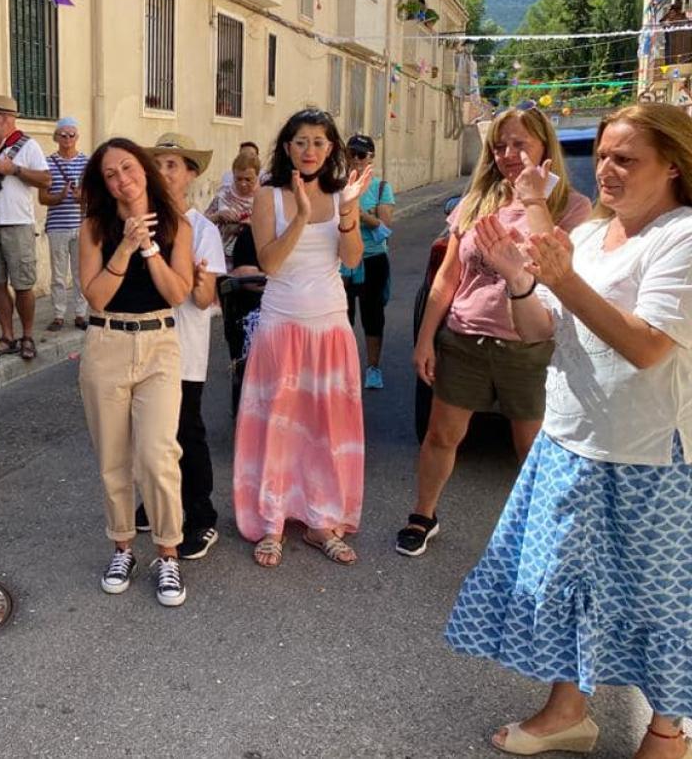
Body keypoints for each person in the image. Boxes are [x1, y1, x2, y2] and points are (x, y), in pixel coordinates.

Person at [445, 102, 692, 759]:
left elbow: (646, 348)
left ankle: (668, 734)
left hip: (648, 452)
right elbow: (540, 331)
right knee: (566, 582)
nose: (607, 170)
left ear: (672, 167)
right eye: (603, 156)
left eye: (625, 159)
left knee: (655, 595)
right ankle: (567, 713)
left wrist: (563, 278)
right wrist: (520, 282)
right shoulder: (591, 235)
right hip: (570, 438)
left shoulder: (682, 236)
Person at [398, 106, 592, 558]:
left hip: (530, 346)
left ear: (544, 145)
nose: (508, 154)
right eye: (500, 145)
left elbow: (556, 274)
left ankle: (538, 532)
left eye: (519, 144)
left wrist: (533, 201)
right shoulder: (477, 202)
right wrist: (426, 338)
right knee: (441, 436)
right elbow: (446, 278)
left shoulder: (572, 207)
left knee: (532, 448)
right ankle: (423, 514)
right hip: (464, 339)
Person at [232, 108, 372, 569]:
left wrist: (347, 209)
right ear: (287, 148)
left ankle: (322, 520)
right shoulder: (268, 196)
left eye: (318, 142)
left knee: (326, 428)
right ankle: (271, 521)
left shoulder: (340, 197)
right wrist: (302, 217)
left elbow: (352, 261)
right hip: (280, 325)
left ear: (331, 148)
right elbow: (269, 264)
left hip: (330, 326)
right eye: (300, 142)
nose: (309, 150)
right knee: (277, 426)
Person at [78, 137, 194, 607]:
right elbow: (96, 296)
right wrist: (123, 247)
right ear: (103, 184)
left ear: (144, 169)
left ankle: (168, 553)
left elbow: (178, 292)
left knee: (157, 454)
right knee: (113, 458)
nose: (122, 179)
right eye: (111, 174)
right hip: (106, 341)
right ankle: (122, 545)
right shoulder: (94, 226)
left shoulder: (176, 226)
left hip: (159, 343)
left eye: (128, 168)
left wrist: (149, 248)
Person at [148, 133, 227, 561]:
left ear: (191, 173)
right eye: (157, 164)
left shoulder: (204, 230)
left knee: (184, 431)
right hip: (144, 346)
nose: (163, 173)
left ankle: (201, 515)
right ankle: (159, 503)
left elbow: (201, 298)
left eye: (172, 165)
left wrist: (195, 280)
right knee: (149, 433)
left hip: (183, 348)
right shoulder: (142, 222)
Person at [0, 94, 51, 361]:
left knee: (23, 284)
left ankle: (27, 335)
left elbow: (46, 180)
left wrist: (13, 169)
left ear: (4, 119)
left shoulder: (28, 146)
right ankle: (7, 335)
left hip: (18, 223)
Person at [339, 134, 396, 390]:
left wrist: (356, 212)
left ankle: (373, 367)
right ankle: (345, 365)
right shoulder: (338, 185)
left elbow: (384, 226)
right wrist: (365, 216)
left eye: (362, 155)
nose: (356, 160)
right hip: (342, 260)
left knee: (373, 316)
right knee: (342, 316)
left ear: (371, 158)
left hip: (373, 259)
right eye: (352, 154)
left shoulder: (382, 188)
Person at [39, 116, 89, 331]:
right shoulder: (47, 164)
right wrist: (60, 196)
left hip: (80, 226)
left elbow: (94, 194)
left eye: (71, 134)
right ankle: (59, 315)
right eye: (63, 134)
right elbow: (42, 198)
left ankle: (80, 314)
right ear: (56, 137)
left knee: (80, 273)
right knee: (58, 275)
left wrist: (82, 197)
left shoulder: (86, 163)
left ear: (77, 137)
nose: (67, 138)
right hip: (57, 226)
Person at [207, 151, 260, 258]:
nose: (243, 183)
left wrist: (252, 224)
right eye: (238, 179)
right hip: (222, 256)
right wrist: (218, 216)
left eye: (248, 180)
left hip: (252, 258)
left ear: (257, 176)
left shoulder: (263, 197)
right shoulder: (223, 195)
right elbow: (203, 222)